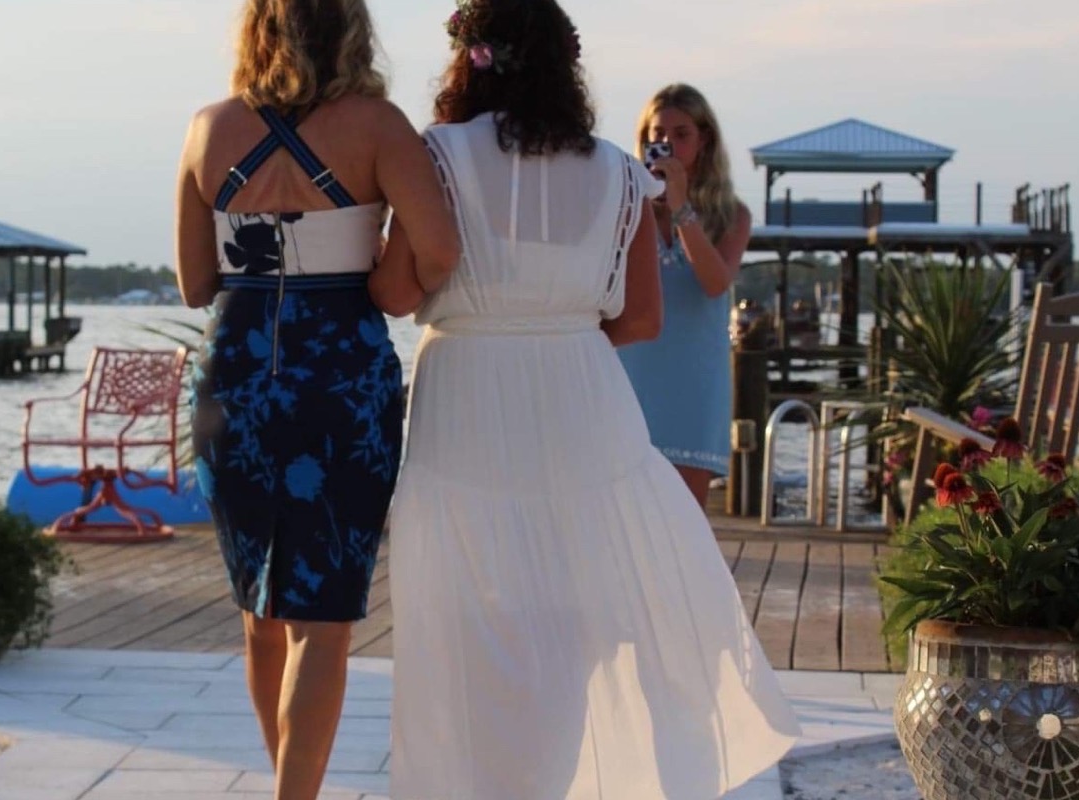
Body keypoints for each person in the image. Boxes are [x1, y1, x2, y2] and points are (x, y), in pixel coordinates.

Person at [374, 2, 800, 798]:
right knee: (573, 608)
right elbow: (641, 319)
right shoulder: (619, 173)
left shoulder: (438, 155)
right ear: (564, 68)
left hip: (467, 389)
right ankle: (558, 775)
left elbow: (397, 292)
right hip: (580, 391)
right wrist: (556, 331)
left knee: (467, 606)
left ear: (471, 61)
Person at [173, 1, 459, 798]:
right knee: (323, 622)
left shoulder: (207, 129)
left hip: (234, 378)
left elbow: (195, 281)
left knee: (261, 614)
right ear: (349, 30)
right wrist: (383, 277)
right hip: (339, 381)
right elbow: (437, 252)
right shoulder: (379, 127)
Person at [617, 83, 752, 510]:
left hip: (693, 382)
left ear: (703, 139)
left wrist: (681, 208)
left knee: (685, 522)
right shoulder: (626, 207)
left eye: (681, 134)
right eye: (657, 134)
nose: (667, 144)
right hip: (631, 376)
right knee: (626, 518)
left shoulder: (732, 215)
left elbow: (715, 283)